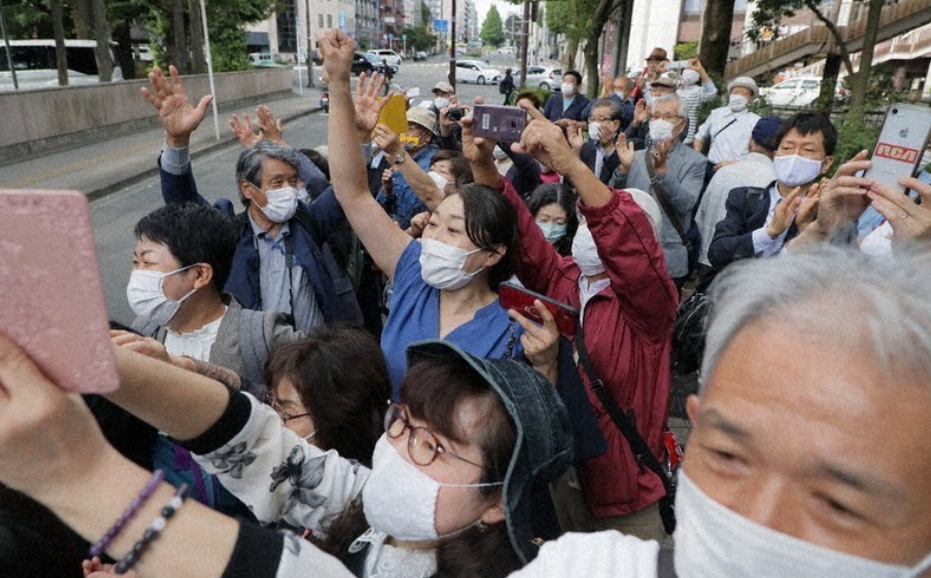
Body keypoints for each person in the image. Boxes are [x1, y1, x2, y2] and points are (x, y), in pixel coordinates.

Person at [0, 327, 573, 578]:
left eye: (433, 445)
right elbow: (254, 442)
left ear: (497, 501)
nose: (397, 451)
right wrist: (100, 363)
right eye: (403, 421)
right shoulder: (370, 515)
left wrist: (79, 477)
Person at [505, 245, 931, 577]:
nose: (755, 522)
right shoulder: (586, 569)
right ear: (697, 419)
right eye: (728, 456)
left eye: (839, 503)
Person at [465, 98, 679, 541]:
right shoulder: (566, 279)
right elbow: (519, 234)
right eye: (584, 216)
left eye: (598, 219)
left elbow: (626, 239)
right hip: (563, 477)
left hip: (625, 499)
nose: (590, 226)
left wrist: (572, 166)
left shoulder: (649, 307)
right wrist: (484, 164)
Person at [327, 49, 543, 393]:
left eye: (454, 229)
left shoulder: (518, 326)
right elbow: (353, 194)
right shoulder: (412, 269)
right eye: (433, 224)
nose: (434, 239)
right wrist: (340, 90)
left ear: (494, 253)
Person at [142, 66, 362, 332]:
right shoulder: (228, 234)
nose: (288, 191)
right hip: (252, 364)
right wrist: (177, 141)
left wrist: (360, 137)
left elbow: (349, 186)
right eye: (277, 182)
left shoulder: (310, 222)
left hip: (311, 361)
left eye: (293, 181)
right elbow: (182, 200)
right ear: (248, 189)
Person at [707, 112, 835, 270]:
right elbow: (717, 253)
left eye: (808, 150)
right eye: (787, 148)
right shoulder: (744, 198)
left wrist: (806, 229)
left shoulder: (829, 213)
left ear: (826, 164)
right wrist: (769, 232)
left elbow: (832, 272)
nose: (795, 156)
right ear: (775, 155)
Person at [610, 93, 707, 289]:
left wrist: (664, 174)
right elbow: (610, 198)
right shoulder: (634, 156)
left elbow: (685, 203)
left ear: (681, 124)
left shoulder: (695, 161)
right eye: (655, 116)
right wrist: (622, 170)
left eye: (668, 116)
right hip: (628, 253)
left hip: (667, 258)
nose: (660, 121)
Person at [263, 325, 392, 467]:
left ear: (336, 419)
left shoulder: (377, 483)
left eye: (287, 414)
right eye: (273, 405)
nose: (274, 419)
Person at [694, 115, 781, 270]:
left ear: (750, 142)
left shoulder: (723, 171)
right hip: (741, 269)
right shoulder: (776, 182)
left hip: (705, 258)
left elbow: (701, 215)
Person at [375, 106, 440, 231]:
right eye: (402, 127)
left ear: (427, 137)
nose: (403, 133)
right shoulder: (396, 157)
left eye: (410, 128)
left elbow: (423, 202)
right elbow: (380, 205)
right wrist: (387, 190)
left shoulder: (434, 164)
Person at [693, 76, 761, 171]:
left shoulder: (756, 121)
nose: (738, 96)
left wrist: (738, 164)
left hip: (737, 171)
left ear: (750, 99)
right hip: (710, 168)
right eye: (735, 92)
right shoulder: (716, 114)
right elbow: (700, 136)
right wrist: (697, 156)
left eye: (744, 94)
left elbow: (759, 153)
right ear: (730, 94)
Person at [577, 98, 623, 184]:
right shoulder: (586, 147)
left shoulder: (626, 147)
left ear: (616, 124)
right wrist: (576, 150)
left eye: (601, 119)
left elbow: (622, 175)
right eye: (592, 119)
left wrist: (609, 148)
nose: (595, 123)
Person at [527, 183, 579, 256]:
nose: (550, 228)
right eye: (543, 220)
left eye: (559, 222)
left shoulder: (575, 250)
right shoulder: (522, 247)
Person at [675, 59, 717, 145]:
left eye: (693, 68)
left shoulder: (699, 91)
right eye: (687, 67)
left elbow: (711, 93)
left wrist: (701, 71)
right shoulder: (675, 91)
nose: (689, 70)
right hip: (674, 134)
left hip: (690, 137)